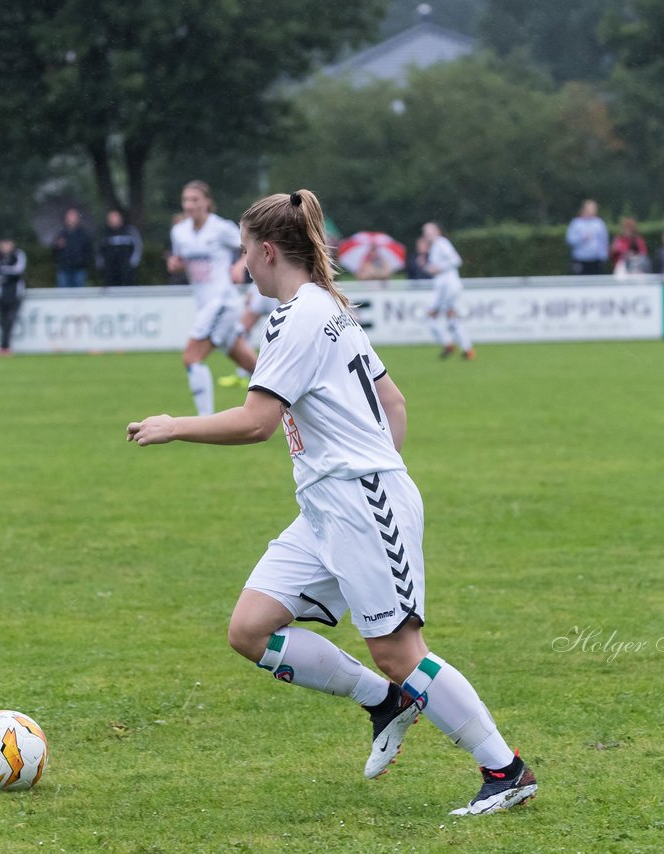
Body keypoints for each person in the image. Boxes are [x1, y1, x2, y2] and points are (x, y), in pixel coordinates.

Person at [127, 188, 537, 817]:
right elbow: (393, 403)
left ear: (268, 252)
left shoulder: (300, 317)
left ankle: (505, 771)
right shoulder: (326, 307)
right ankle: (384, 701)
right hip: (329, 507)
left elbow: (258, 422)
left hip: (361, 499)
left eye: (244, 254)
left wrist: (175, 425)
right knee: (250, 629)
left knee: (400, 650)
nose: (241, 267)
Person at [166, 179, 256, 415]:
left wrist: (240, 264)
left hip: (222, 303)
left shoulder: (221, 228)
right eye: (186, 200)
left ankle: (205, 420)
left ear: (207, 202)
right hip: (205, 305)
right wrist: (175, 265)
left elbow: (251, 246)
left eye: (195, 199)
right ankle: (299, 403)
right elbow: (180, 261)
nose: (189, 205)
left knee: (191, 358)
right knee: (253, 366)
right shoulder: (179, 232)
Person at [423, 221, 474, 359]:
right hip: (447, 288)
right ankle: (466, 349)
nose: (427, 234)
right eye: (425, 231)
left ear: (438, 231)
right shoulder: (435, 246)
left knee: (432, 316)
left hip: (448, 288)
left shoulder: (441, 243)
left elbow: (456, 260)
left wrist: (438, 268)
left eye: (430, 230)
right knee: (452, 319)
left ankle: (450, 345)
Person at [0, 237, 27, 355]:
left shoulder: (18, 255)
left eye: (8, 244)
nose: (6, 247)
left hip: (15, 294)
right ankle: (3, 346)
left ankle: (5, 346)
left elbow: (19, 271)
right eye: (3, 244)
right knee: (2, 321)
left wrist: (4, 271)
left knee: (10, 320)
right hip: (0, 294)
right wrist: (9, 275)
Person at [98, 208, 143, 288]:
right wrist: (101, 263)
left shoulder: (129, 230)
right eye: (112, 217)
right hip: (110, 271)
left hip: (126, 270)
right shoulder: (104, 232)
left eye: (116, 216)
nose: (114, 219)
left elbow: (138, 246)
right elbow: (99, 250)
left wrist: (133, 261)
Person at [53, 208, 94, 288]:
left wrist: (83, 262)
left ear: (78, 218)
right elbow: (54, 251)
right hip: (64, 269)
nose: (71, 219)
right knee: (63, 296)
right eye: (69, 216)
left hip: (79, 269)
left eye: (73, 216)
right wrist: (57, 246)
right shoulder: (61, 233)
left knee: (78, 296)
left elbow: (89, 250)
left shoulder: (84, 234)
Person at [565, 199, 608, 275]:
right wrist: (581, 239)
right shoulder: (576, 223)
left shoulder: (599, 223)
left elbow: (603, 241)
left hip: (596, 260)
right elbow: (570, 240)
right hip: (580, 260)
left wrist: (603, 257)